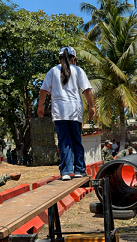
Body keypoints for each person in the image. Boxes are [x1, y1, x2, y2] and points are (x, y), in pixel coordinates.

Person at [38, 46, 96, 181]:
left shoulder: (52, 71)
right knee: (76, 140)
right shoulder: (78, 70)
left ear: (59, 59)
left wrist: (40, 106)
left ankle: (66, 171)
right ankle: (79, 170)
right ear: (73, 59)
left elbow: (43, 90)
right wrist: (91, 106)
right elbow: (87, 90)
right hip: (75, 111)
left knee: (64, 141)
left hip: (59, 112)